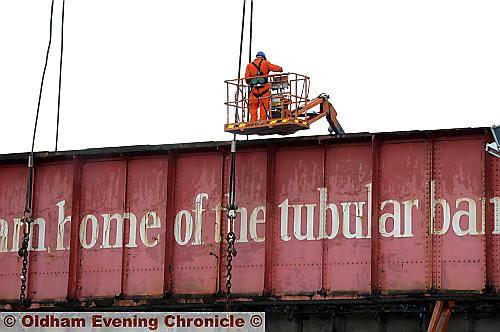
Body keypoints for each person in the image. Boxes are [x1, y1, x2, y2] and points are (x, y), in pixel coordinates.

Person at [244, 51, 283, 122]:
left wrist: (252, 82)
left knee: (253, 107)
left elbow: (247, 79)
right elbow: (275, 68)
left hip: (254, 90)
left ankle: (253, 121)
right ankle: (263, 120)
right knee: (264, 106)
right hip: (264, 89)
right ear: (263, 57)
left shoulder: (249, 65)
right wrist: (280, 69)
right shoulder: (265, 63)